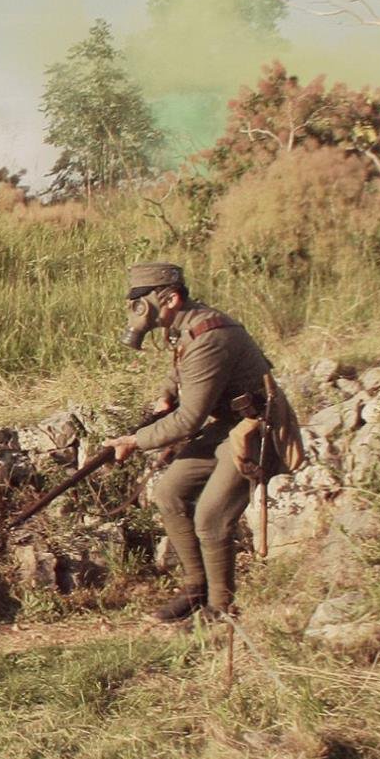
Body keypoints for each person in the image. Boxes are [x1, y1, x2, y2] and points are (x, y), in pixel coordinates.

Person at [102, 262, 273, 623]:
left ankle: (221, 609)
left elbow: (189, 420)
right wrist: (166, 394)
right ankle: (196, 588)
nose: (138, 313)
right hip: (228, 424)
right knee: (168, 494)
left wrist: (136, 440)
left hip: (255, 429)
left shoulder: (209, 335)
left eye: (143, 303)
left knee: (210, 517)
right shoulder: (184, 326)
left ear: (172, 298)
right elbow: (180, 370)